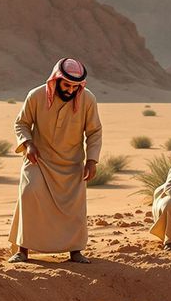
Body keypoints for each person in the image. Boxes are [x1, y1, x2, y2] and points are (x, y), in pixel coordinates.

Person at [8, 58, 103, 263]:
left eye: (75, 86)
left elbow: (94, 132)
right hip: (38, 160)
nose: (70, 90)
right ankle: (22, 250)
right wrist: (28, 143)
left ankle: (75, 251)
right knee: (29, 194)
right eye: (66, 85)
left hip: (71, 163)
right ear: (56, 80)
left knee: (73, 207)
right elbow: (21, 124)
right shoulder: (36, 95)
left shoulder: (87, 99)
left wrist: (92, 160)